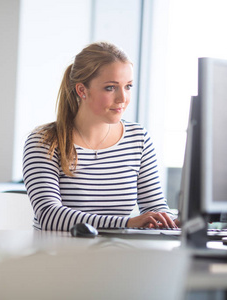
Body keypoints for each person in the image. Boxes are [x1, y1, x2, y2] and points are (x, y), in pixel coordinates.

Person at [22, 41, 178, 231]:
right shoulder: (44, 141)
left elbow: (155, 206)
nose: (123, 98)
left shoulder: (138, 139)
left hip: (115, 255)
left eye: (128, 86)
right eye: (110, 88)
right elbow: (49, 215)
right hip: (58, 256)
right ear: (82, 90)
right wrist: (127, 223)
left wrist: (171, 221)